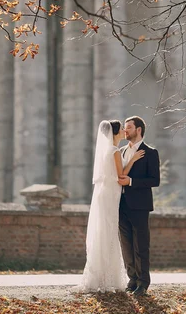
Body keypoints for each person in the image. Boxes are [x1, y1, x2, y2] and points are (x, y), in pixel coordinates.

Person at [78, 119, 145, 292]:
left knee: (103, 233)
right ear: (115, 133)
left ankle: (99, 276)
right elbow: (121, 175)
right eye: (122, 128)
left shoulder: (106, 151)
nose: (124, 130)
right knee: (108, 234)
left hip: (105, 194)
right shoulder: (115, 151)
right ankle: (108, 278)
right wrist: (133, 159)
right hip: (110, 196)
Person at [118, 116, 160, 296]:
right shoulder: (120, 151)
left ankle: (143, 282)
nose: (125, 131)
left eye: (128, 127)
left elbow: (154, 180)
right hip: (121, 205)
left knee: (140, 245)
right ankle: (132, 279)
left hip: (140, 206)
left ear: (139, 130)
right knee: (126, 244)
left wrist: (131, 181)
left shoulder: (150, 152)